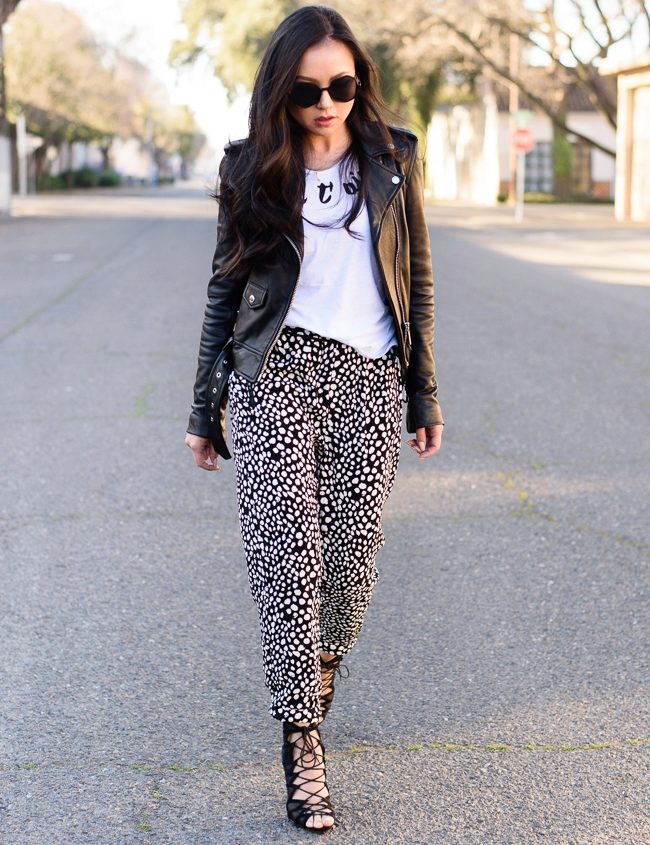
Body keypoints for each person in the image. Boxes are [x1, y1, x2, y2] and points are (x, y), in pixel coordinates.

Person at [185, 4, 443, 833]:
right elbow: (225, 288)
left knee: (351, 562)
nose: (326, 103)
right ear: (280, 92)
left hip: (369, 376)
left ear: (359, 83)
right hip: (275, 373)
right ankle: (301, 738)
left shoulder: (393, 158)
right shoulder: (250, 169)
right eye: (306, 90)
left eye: (341, 86)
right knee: (285, 557)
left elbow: (417, 278)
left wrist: (424, 392)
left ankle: (321, 662)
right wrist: (204, 406)